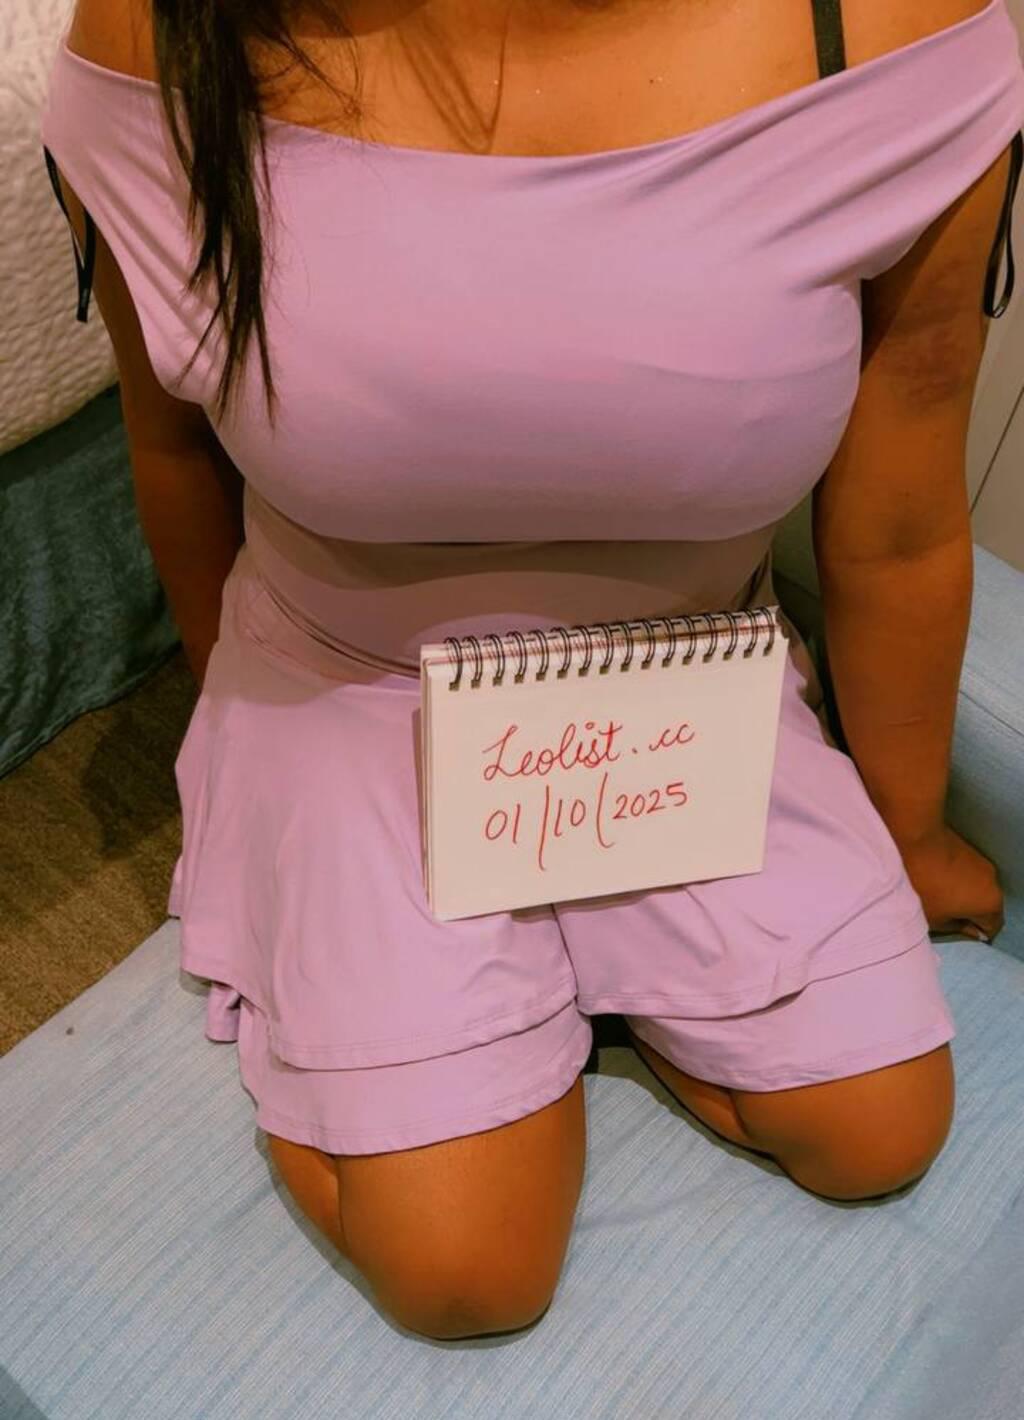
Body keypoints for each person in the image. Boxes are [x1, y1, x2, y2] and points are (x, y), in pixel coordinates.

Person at [42, 0, 1020, 1341]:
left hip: (681, 697)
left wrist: (909, 829)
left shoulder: (899, 33)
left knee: (879, 1127)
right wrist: (238, 753)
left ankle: (567, 986)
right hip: (352, 689)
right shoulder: (152, 36)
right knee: (464, 1273)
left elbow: (900, 513)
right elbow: (171, 451)